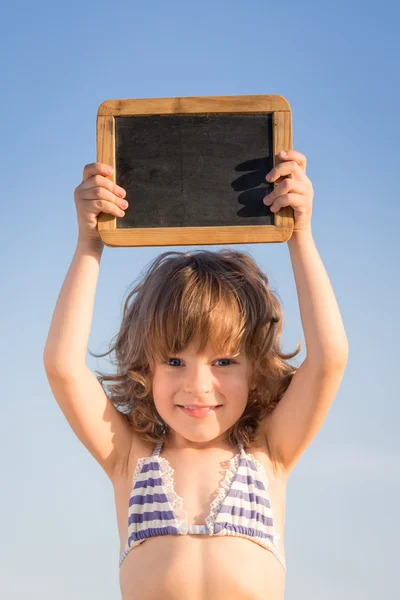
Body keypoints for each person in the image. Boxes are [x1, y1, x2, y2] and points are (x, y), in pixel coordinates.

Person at [43, 150, 349, 600]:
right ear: (146, 367)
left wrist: (299, 235)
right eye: (174, 361)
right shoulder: (130, 458)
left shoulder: (270, 455)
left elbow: (330, 358)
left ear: (256, 371)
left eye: (223, 362)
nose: (197, 385)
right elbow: (63, 366)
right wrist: (89, 244)